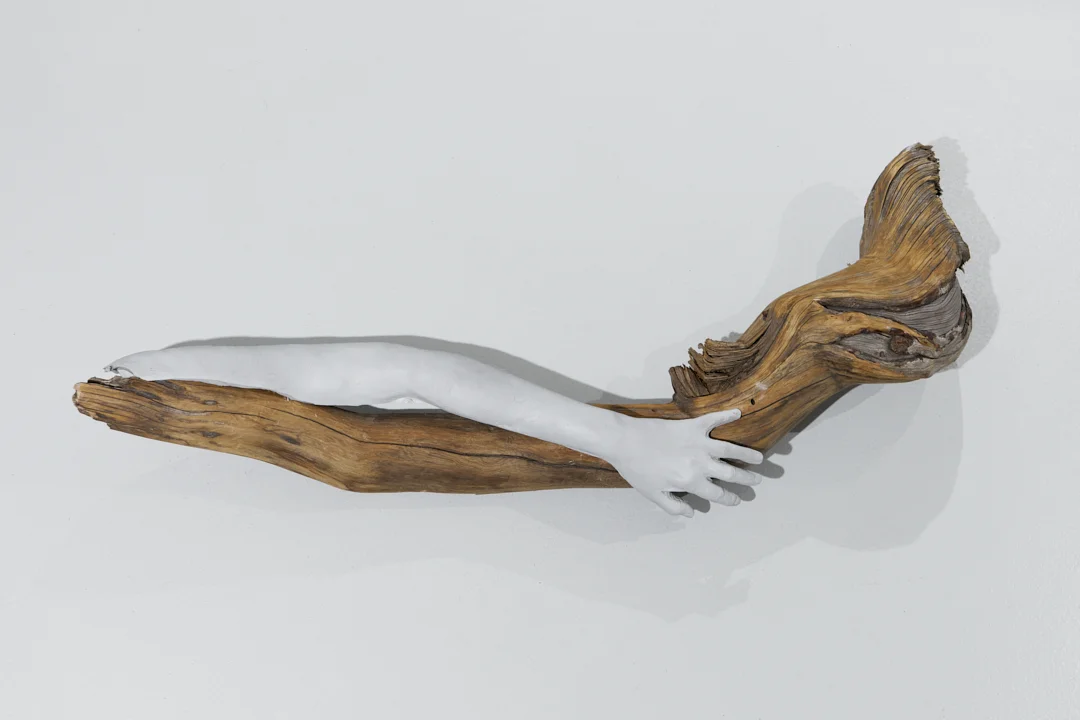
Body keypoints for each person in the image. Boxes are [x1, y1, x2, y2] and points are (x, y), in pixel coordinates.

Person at [105, 342, 764, 517]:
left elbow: (410, 372)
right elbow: (409, 372)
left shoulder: (148, 371)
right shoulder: (142, 376)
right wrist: (619, 440)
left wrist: (620, 439)